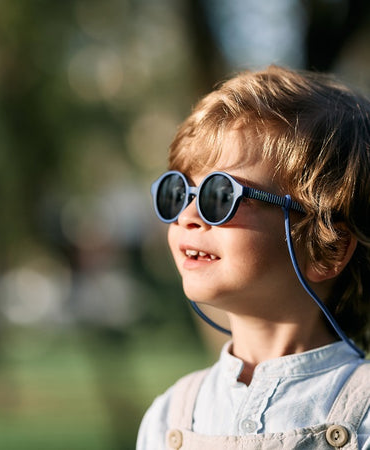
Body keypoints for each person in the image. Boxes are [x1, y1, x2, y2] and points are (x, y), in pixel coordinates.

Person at [137, 66, 370, 449]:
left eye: (221, 196)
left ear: (327, 246)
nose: (188, 216)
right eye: (179, 192)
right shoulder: (170, 416)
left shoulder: (361, 416)